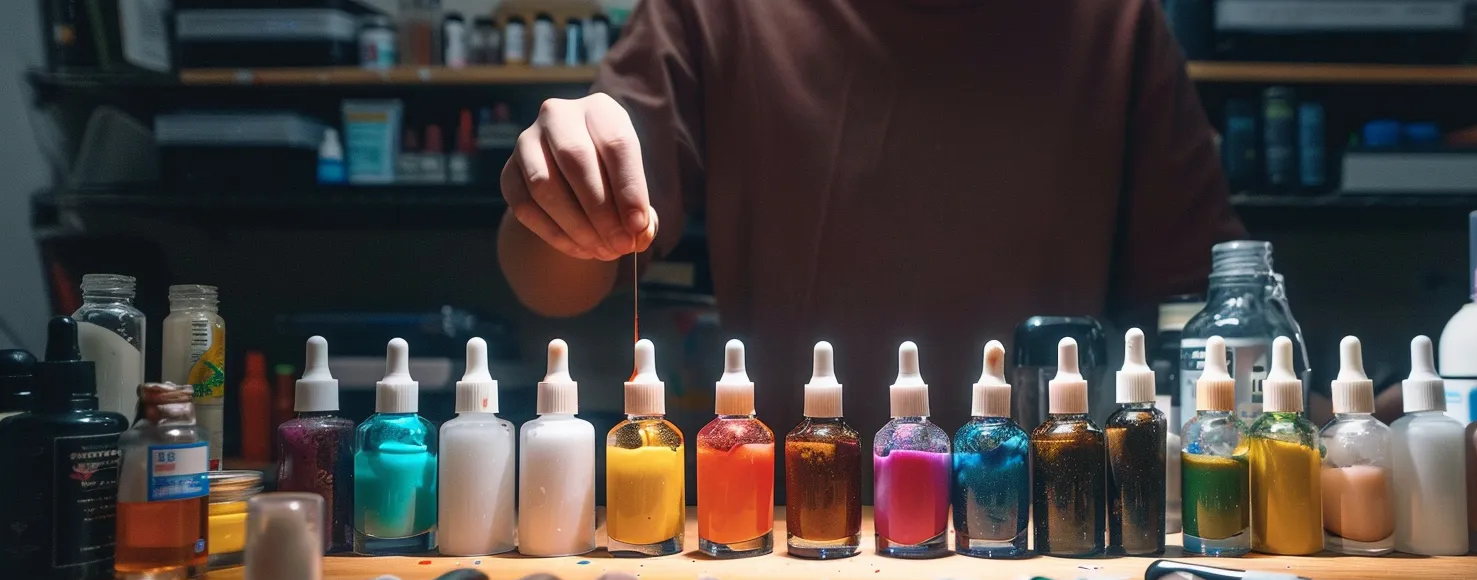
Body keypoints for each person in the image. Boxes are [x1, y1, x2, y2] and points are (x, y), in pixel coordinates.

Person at [498, 0, 1245, 441]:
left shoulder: (1115, 21)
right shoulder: (718, 14)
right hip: (791, 531)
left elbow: (1224, 308)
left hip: (1052, 524)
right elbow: (555, 277)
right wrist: (561, 193)